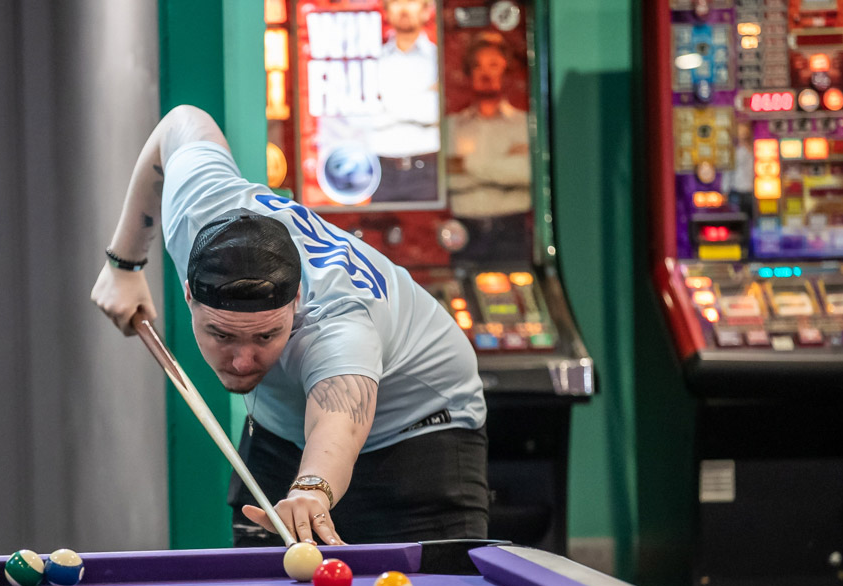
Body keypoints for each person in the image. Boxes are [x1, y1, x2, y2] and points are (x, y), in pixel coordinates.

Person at [92, 105, 488, 547]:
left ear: (296, 301)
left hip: (418, 440)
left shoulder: (338, 324)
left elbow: (336, 424)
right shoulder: (200, 206)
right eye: (222, 335)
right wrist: (124, 264)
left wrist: (312, 488)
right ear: (189, 294)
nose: (242, 361)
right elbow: (179, 123)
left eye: (266, 336)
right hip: (281, 428)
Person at [446, 31, 532, 262]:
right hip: (464, 233)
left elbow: (528, 173)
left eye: (493, 64)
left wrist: (466, 164)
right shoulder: (450, 127)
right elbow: (444, 179)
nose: (485, 73)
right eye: (477, 66)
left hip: (513, 231)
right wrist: (504, 165)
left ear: (506, 71)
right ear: (468, 73)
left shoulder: (526, 124)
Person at [368, 0, 441, 203]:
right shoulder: (373, 61)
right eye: (396, 1)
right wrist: (425, 97)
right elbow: (367, 118)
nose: (403, 9)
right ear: (386, 11)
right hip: (381, 171)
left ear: (427, 11)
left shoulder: (439, 58)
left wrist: (387, 104)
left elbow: (438, 112)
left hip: (429, 169)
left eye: (411, 1)